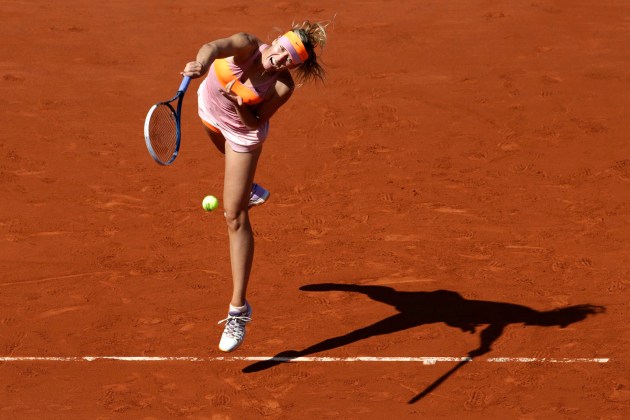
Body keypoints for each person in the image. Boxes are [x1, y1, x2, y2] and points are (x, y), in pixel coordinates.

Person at [181, 21, 328, 352]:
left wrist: (236, 103)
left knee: (233, 214)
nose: (279, 60)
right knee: (236, 186)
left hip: (241, 134)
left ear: (293, 66)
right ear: (274, 41)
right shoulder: (247, 45)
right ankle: (247, 186)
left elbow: (255, 121)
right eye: (280, 51)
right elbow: (214, 46)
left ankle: (238, 310)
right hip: (209, 110)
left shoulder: (282, 86)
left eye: (288, 61)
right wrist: (201, 64)